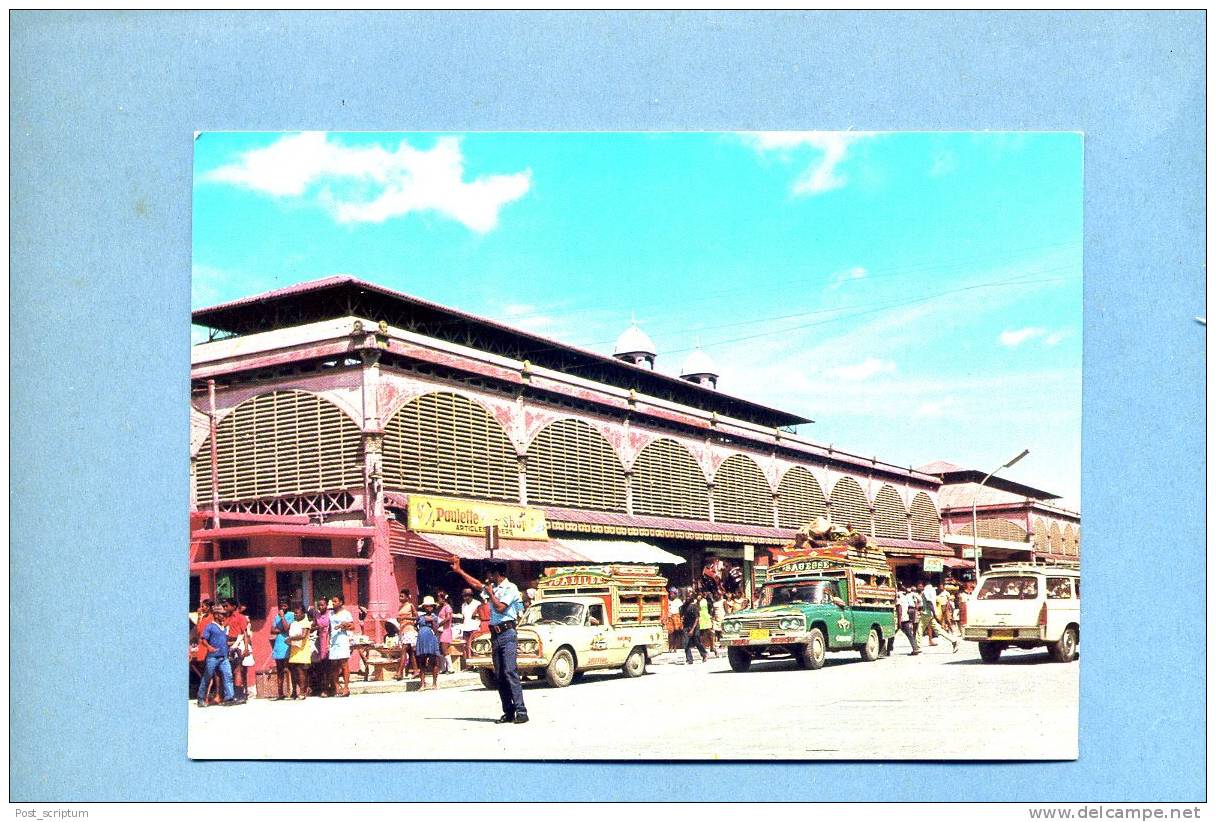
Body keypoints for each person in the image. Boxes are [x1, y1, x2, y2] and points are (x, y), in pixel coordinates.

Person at [449, 557, 528, 724]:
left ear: (497, 573)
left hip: (507, 633)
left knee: (510, 672)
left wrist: (491, 594)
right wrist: (460, 571)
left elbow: (500, 607)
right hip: (495, 635)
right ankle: (508, 711)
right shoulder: (495, 587)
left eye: (490, 574)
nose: (488, 577)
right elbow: (477, 585)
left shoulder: (510, 588)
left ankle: (521, 711)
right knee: (499, 675)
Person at [197, 604, 239, 707]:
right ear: (216, 615)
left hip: (224, 657)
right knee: (207, 677)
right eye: (221, 614)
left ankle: (229, 697)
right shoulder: (210, 627)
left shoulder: (223, 628)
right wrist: (209, 647)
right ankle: (201, 698)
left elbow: (225, 640)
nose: (224, 616)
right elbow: (203, 639)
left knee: (228, 676)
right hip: (213, 657)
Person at [223, 597, 253, 701]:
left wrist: (245, 648)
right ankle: (234, 694)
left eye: (227, 606)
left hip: (238, 644)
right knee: (231, 670)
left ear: (234, 606)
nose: (225, 608)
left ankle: (240, 695)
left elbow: (244, 633)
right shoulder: (227, 618)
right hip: (229, 645)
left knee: (238, 670)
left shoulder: (240, 617)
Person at [920, 579, 960, 652]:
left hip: (927, 613)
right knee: (939, 630)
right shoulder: (933, 591)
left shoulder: (926, 591)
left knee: (919, 630)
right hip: (931, 613)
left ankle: (917, 647)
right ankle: (953, 641)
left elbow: (930, 603)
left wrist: (934, 612)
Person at [328, 594, 354, 697]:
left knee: (344, 663)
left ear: (341, 602)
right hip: (333, 640)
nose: (333, 603)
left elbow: (352, 626)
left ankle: (346, 687)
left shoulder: (346, 613)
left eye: (335, 601)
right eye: (332, 601)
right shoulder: (330, 614)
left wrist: (344, 626)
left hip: (342, 639)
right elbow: (329, 628)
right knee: (334, 664)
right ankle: (336, 687)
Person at [415, 596, 442, 690]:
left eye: (430, 606)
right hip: (422, 639)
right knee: (421, 662)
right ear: (424, 607)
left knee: (434, 661)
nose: (428, 608)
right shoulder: (420, 617)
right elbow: (416, 625)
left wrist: (432, 621)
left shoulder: (435, 617)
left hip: (431, 639)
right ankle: (422, 684)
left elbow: (436, 628)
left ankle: (434, 683)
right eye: (427, 606)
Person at [270, 597, 295, 700]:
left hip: (287, 644)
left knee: (290, 668)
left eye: (285, 605)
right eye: (281, 605)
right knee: (279, 669)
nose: (282, 607)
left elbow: (287, 628)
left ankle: (292, 691)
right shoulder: (276, 617)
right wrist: (281, 630)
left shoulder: (291, 615)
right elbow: (272, 630)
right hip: (279, 644)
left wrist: (283, 617)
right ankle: (280, 692)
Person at [287, 603, 313, 699]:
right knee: (293, 671)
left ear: (303, 613)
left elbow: (303, 635)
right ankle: (295, 691)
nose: (296, 614)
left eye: (297, 613)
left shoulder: (305, 623)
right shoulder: (294, 623)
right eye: (294, 613)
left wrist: (291, 638)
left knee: (301, 671)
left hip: (302, 650)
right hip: (294, 650)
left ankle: (302, 692)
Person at [395, 589, 419, 681]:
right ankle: (416, 670)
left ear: (407, 597)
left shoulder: (410, 605)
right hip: (402, 630)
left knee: (403, 650)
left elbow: (417, 617)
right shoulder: (400, 607)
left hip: (409, 630)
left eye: (402, 596)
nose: (400, 598)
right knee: (410, 652)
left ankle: (399, 672)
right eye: (400, 596)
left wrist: (407, 617)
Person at [311, 596, 332, 696]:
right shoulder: (317, 615)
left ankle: (330, 688)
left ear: (327, 605)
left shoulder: (330, 614)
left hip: (328, 640)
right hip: (320, 641)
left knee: (329, 666)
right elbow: (313, 627)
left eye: (322, 605)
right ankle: (323, 688)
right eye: (319, 605)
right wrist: (316, 627)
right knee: (322, 666)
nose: (320, 607)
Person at [682, 591, 708, 664]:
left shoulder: (694, 606)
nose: (687, 598)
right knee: (686, 643)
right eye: (686, 596)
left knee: (697, 641)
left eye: (689, 597)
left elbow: (697, 618)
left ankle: (704, 654)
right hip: (686, 626)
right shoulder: (684, 606)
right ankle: (689, 659)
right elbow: (682, 616)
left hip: (694, 626)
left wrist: (692, 630)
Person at [896, 585, 921, 655]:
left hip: (901, 619)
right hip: (905, 617)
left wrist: (899, 621)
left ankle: (888, 649)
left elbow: (899, 610)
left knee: (893, 635)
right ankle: (915, 648)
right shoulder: (905, 597)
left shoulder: (899, 598)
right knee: (910, 634)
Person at [460, 588, 482, 662]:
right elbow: (464, 616)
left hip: (474, 627)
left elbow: (481, 615)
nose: (465, 598)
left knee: (474, 645)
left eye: (467, 596)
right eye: (464, 596)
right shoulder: (463, 605)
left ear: (471, 596)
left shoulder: (477, 604)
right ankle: (469, 662)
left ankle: (475, 663)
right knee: (466, 646)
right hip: (466, 627)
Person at [436, 590, 454, 674]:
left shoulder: (448, 607)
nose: (438, 600)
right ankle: (443, 668)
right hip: (441, 631)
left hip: (446, 630)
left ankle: (450, 668)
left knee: (444, 648)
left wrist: (439, 624)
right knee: (441, 649)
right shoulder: (441, 607)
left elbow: (448, 618)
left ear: (443, 599)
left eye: (439, 599)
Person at [666, 587, 684, 652]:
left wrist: (681, 618)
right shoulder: (667, 601)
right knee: (670, 632)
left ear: (675, 594)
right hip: (670, 616)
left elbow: (681, 610)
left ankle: (675, 647)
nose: (671, 595)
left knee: (676, 632)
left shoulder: (678, 601)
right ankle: (670, 646)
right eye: (670, 594)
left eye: (672, 594)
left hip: (676, 616)